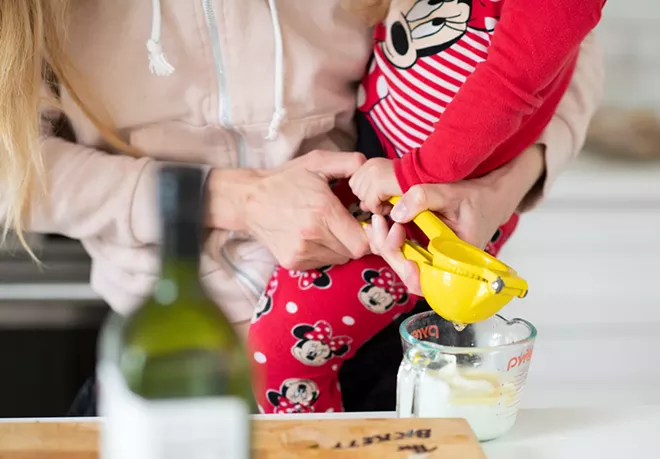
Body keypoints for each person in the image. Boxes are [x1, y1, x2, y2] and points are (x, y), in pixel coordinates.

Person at [0, 1, 602, 414]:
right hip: (176, 356)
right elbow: (14, 166)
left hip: (394, 338)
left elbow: (546, 40)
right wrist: (234, 197)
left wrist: (502, 182)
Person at [247, 0, 605, 414]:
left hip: (436, 208)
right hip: (381, 163)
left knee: (279, 354)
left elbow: (514, 82)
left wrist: (413, 174)